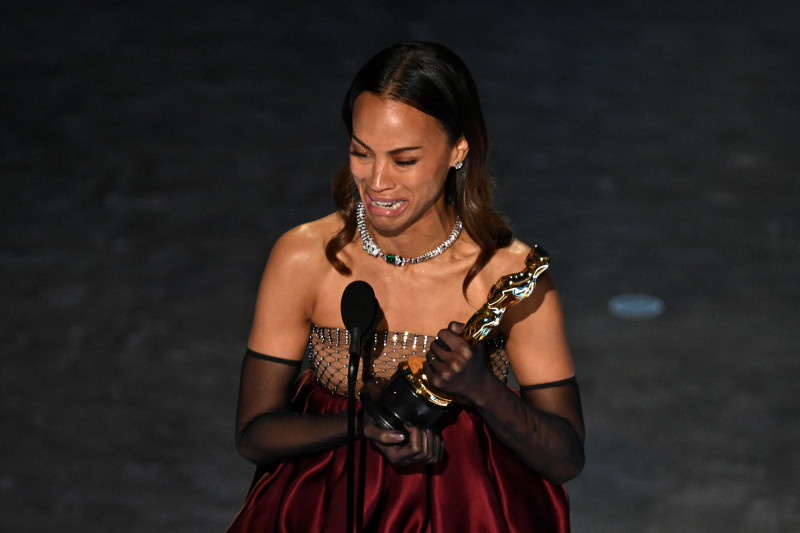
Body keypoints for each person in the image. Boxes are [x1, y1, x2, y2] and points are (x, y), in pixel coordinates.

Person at [227, 41, 584, 533]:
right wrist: (364, 425)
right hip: (329, 512)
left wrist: (482, 390)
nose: (376, 181)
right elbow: (254, 432)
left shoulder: (510, 277)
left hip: (470, 514)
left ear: (459, 149)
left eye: (404, 160)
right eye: (360, 152)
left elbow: (565, 457)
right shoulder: (303, 257)